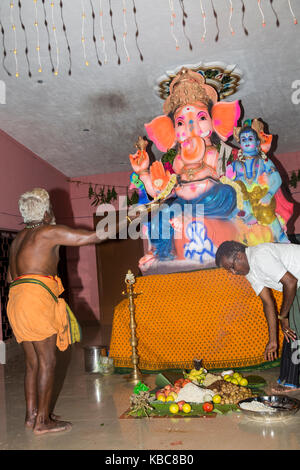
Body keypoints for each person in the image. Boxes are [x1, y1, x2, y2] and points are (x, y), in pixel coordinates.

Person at [6, 188, 150, 435]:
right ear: (46, 211)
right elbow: (92, 236)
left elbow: (10, 277)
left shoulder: (18, 239)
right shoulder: (48, 231)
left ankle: (32, 416)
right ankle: (43, 422)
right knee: (48, 361)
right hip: (35, 299)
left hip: (17, 299)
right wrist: (129, 218)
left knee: (32, 363)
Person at [215, 240, 300, 393]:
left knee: (295, 331)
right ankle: (287, 378)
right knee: (291, 330)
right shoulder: (250, 272)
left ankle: (293, 381)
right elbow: (267, 303)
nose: (233, 273)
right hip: (296, 285)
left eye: (232, 268)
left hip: (297, 283)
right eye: (230, 271)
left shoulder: (260, 256)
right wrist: (272, 340)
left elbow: (291, 282)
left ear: (239, 256)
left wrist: (284, 317)